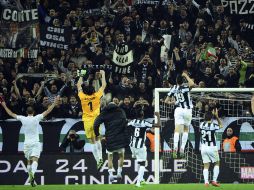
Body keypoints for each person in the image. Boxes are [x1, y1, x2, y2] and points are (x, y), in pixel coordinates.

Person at [0, 96, 58, 187]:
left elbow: (11, 114)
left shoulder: (23, 118)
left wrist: (4, 105)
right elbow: (47, 111)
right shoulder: (37, 118)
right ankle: (33, 175)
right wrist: (54, 103)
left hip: (26, 143)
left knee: (28, 161)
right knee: (35, 160)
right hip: (35, 142)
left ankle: (31, 178)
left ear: (26, 112)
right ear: (33, 112)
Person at [77, 70, 106, 169]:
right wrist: (103, 74)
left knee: (92, 141)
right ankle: (101, 158)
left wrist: (81, 74)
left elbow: (78, 85)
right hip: (96, 121)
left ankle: (98, 160)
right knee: (98, 139)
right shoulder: (97, 96)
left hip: (87, 121)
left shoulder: (83, 97)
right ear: (94, 91)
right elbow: (103, 86)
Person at [94, 102, 128, 182]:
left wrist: (97, 134)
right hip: (120, 138)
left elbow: (95, 124)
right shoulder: (120, 111)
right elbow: (125, 122)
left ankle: (111, 175)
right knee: (121, 156)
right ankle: (119, 172)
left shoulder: (105, 112)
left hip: (110, 138)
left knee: (110, 157)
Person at [165, 72, 195, 158]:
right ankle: (182, 148)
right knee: (186, 130)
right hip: (187, 110)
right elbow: (192, 84)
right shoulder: (185, 87)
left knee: (177, 130)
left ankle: (175, 148)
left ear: (176, 81)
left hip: (178, 110)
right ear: (183, 81)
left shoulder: (173, 88)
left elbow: (166, 101)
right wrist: (185, 75)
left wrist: (173, 102)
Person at [128, 110, 161, 187]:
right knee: (143, 164)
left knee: (141, 162)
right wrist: (157, 116)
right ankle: (138, 182)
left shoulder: (132, 121)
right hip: (140, 147)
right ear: (143, 116)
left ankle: (142, 179)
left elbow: (126, 125)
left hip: (132, 146)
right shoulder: (144, 123)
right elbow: (158, 125)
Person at [199, 109, 223, 187]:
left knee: (206, 165)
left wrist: (211, 117)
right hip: (212, 148)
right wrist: (216, 116)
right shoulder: (213, 125)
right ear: (211, 118)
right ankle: (214, 180)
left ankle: (206, 182)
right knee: (217, 163)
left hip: (203, 148)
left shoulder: (201, 124)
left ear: (204, 117)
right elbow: (221, 126)